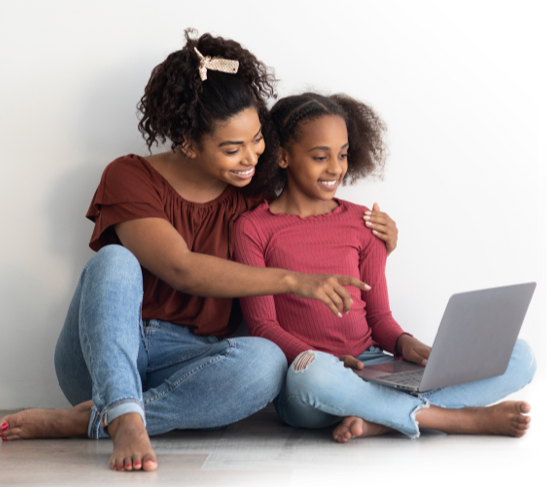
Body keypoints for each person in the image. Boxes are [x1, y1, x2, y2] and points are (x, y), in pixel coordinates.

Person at [0, 31, 398, 471]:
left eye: (257, 140)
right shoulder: (129, 177)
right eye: (233, 148)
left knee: (265, 363)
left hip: (192, 360)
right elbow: (181, 268)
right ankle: (124, 417)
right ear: (188, 143)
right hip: (106, 351)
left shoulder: (256, 195)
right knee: (113, 260)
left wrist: (379, 238)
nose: (251, 158)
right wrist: (293, 281)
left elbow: (312, 226)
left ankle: (103, 417)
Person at [233, 92, 537, 443]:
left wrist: (404, 343)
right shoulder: (253, 229)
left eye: (343, 154)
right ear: (283, 156)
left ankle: (381, 419)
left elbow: (378, 319)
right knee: (312, 377)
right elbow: (263, 326)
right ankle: (455, 419)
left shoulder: (366, 222)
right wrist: (323, 360)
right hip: (311, 375)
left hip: (375, 366)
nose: (336, 168)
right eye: (320, 157)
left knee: (521, 355)